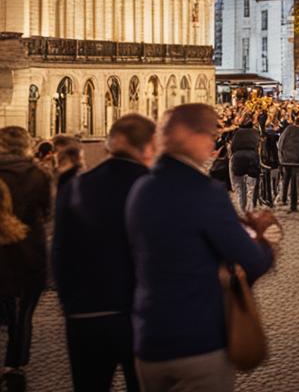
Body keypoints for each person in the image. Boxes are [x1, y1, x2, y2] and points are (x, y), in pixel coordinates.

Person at [127, 103, 276, 392]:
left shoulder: (140, 189)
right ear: (189, 136)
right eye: (209, 134)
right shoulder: (204, 192)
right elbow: (251, 261)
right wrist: (262, 240)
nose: (212, 143)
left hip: (149, 340)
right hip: (198, 340)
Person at [52, 114, 156, 392]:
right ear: (150, 146)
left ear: (109, 144)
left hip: (86, 313)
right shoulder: (154, 187)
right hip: (141, 314)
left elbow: (59, 251)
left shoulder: (76, 186)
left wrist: (70, 304)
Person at [0, 126, 52, 383]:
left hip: (2, 248)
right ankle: (15, 361)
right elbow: (47, 212)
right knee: (24, 312)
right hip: (30, 250)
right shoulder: (39, 175)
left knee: (6, 304)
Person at [277, 113, 299, 213]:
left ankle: (283, 199)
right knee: (294, 182)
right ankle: (293, 204)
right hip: (297, 160)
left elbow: (280, 143)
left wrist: (281, 156)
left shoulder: (288, 129)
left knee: (286, 178)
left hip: (286, 159)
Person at [228, 116, 262, 213]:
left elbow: (231, 147)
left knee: (239, 187)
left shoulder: (236, 132)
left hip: (238, 159)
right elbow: (259, 147)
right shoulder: (256, 132)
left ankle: (241, 210)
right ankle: (249, 211)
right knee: (250, 189)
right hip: (252, 159)